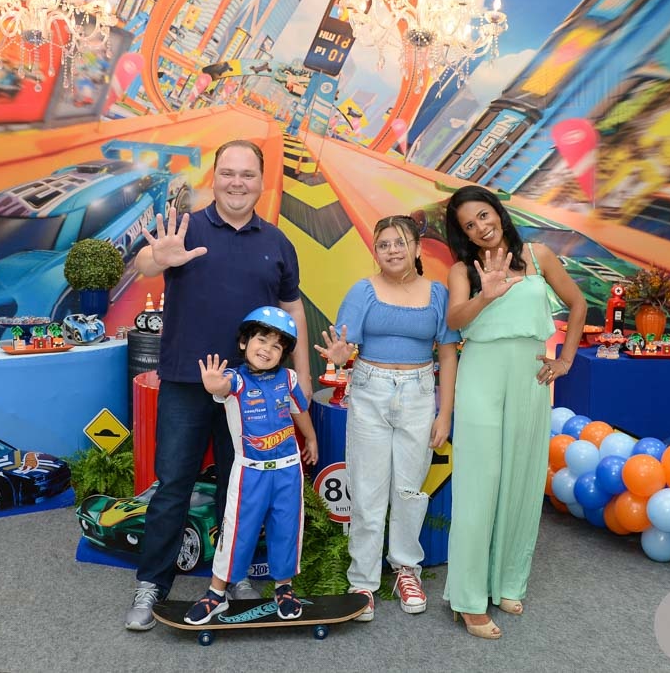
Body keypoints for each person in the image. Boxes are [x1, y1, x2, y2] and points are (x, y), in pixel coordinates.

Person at [124, 139, 312, 631]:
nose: (236, 183)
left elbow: (293, 310)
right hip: (187, 382)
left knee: (241, 487)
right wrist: (158, 257)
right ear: (215, 177)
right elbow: (145, 266)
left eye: (247, 174)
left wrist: (304, 377)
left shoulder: (277, 242)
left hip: (253, 392)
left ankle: (234, 576)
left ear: (261, 181)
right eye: (228, 172)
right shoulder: (188, 227)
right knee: (173, 484)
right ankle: (152, 583)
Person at [443, 185, 586, 640]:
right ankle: (468, 600)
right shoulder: (462, 270)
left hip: (530, 376)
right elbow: (454, 320)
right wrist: (486, 294)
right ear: (464, 234)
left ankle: (507, 582)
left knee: (522, 481)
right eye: (469, 225)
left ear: (498, 213)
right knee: (479, 485)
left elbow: (579, 304)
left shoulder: (538, 255)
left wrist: (565, 360)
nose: (480, 228)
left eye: (484, 216)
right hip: (481, 375)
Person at [314, 215, 459, 622]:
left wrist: (445, 413)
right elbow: (343, 347)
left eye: (400, 242)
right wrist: (340, 358)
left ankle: (405, 570)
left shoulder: (438, 294)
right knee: (367, 490)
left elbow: (448, 353)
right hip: (370, 391)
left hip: (419, 394)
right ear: (375, 252)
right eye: (383, 244)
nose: (392, 250)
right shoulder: (362, 291)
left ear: (417, 248)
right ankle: (362, 580)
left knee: (410, 490)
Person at [185, 306, 319, 624]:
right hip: (250, 473)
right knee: (238, 532)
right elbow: (221, 388)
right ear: (244, 342)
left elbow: (299, 410)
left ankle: (284, 588)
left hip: (288, 470)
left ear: (283, 353)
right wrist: (213, 385)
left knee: (286, 529)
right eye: (261, 340)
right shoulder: (236, 380)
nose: (267, 350)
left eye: (277, 346)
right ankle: (217, 593)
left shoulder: (289, 378)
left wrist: (311, 438)